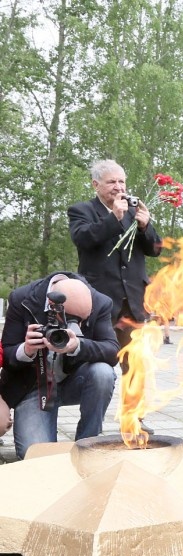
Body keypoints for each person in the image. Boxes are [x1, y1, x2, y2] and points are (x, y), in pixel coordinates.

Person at [0, 274, 118, 459]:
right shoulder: (22, 299)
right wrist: (26, 349)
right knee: (36, 457)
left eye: (82, 321)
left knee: (103, 373)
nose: (77, 327)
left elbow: (112, 351)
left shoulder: (100, 302)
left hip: (74, 380)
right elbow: (6, 356)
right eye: (72, 321)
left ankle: (88, 445)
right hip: (33, 386)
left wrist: (78, 346)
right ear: (51, 305)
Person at [69, 160, 163, 373]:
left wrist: (145, 226)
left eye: (122, 181)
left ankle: (133, 407)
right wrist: (114, 218)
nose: (119, 187)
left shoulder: (134, 211)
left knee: (135, 367)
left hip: (133, 303)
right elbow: (84, 238)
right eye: (112, 182)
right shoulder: (81, 211)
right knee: (97, 369)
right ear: (96, 184)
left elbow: (156, 249)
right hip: (100, 302)